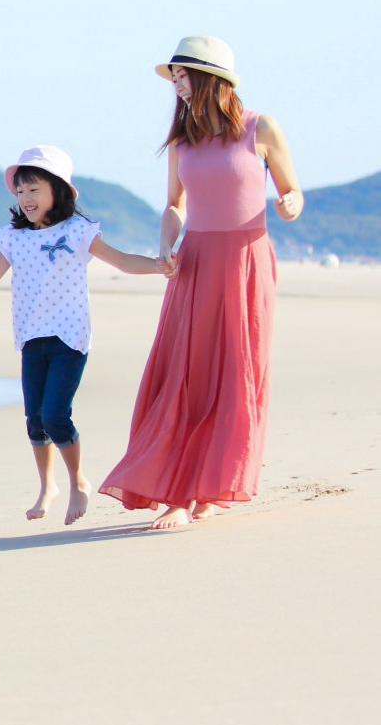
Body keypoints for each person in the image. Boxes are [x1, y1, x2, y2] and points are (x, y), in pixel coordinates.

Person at [99, 35, 303, 530]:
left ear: (212, 77)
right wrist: (166, 246)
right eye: (175, 77)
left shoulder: (262, 126)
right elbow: (175, 206)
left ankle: (210, 487)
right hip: (194, 263)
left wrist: (291, 203)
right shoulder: (182, 141)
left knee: (235, 373)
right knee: (186, 375)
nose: (177, 85)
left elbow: (291, 188)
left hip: (247, 261)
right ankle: (178, 491)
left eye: (183, 75)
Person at [0, 146, 175, 526]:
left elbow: (121, 260)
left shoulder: (77, 231)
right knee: (34, 420)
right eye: (20, 191)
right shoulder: (13, 238)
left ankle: (77, 482)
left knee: (56, 416)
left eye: (34, 189)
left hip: (69, 338)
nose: (25, 199)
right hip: (30, 336)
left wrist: (158, 266)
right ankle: (46, 487)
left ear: (60, 191)